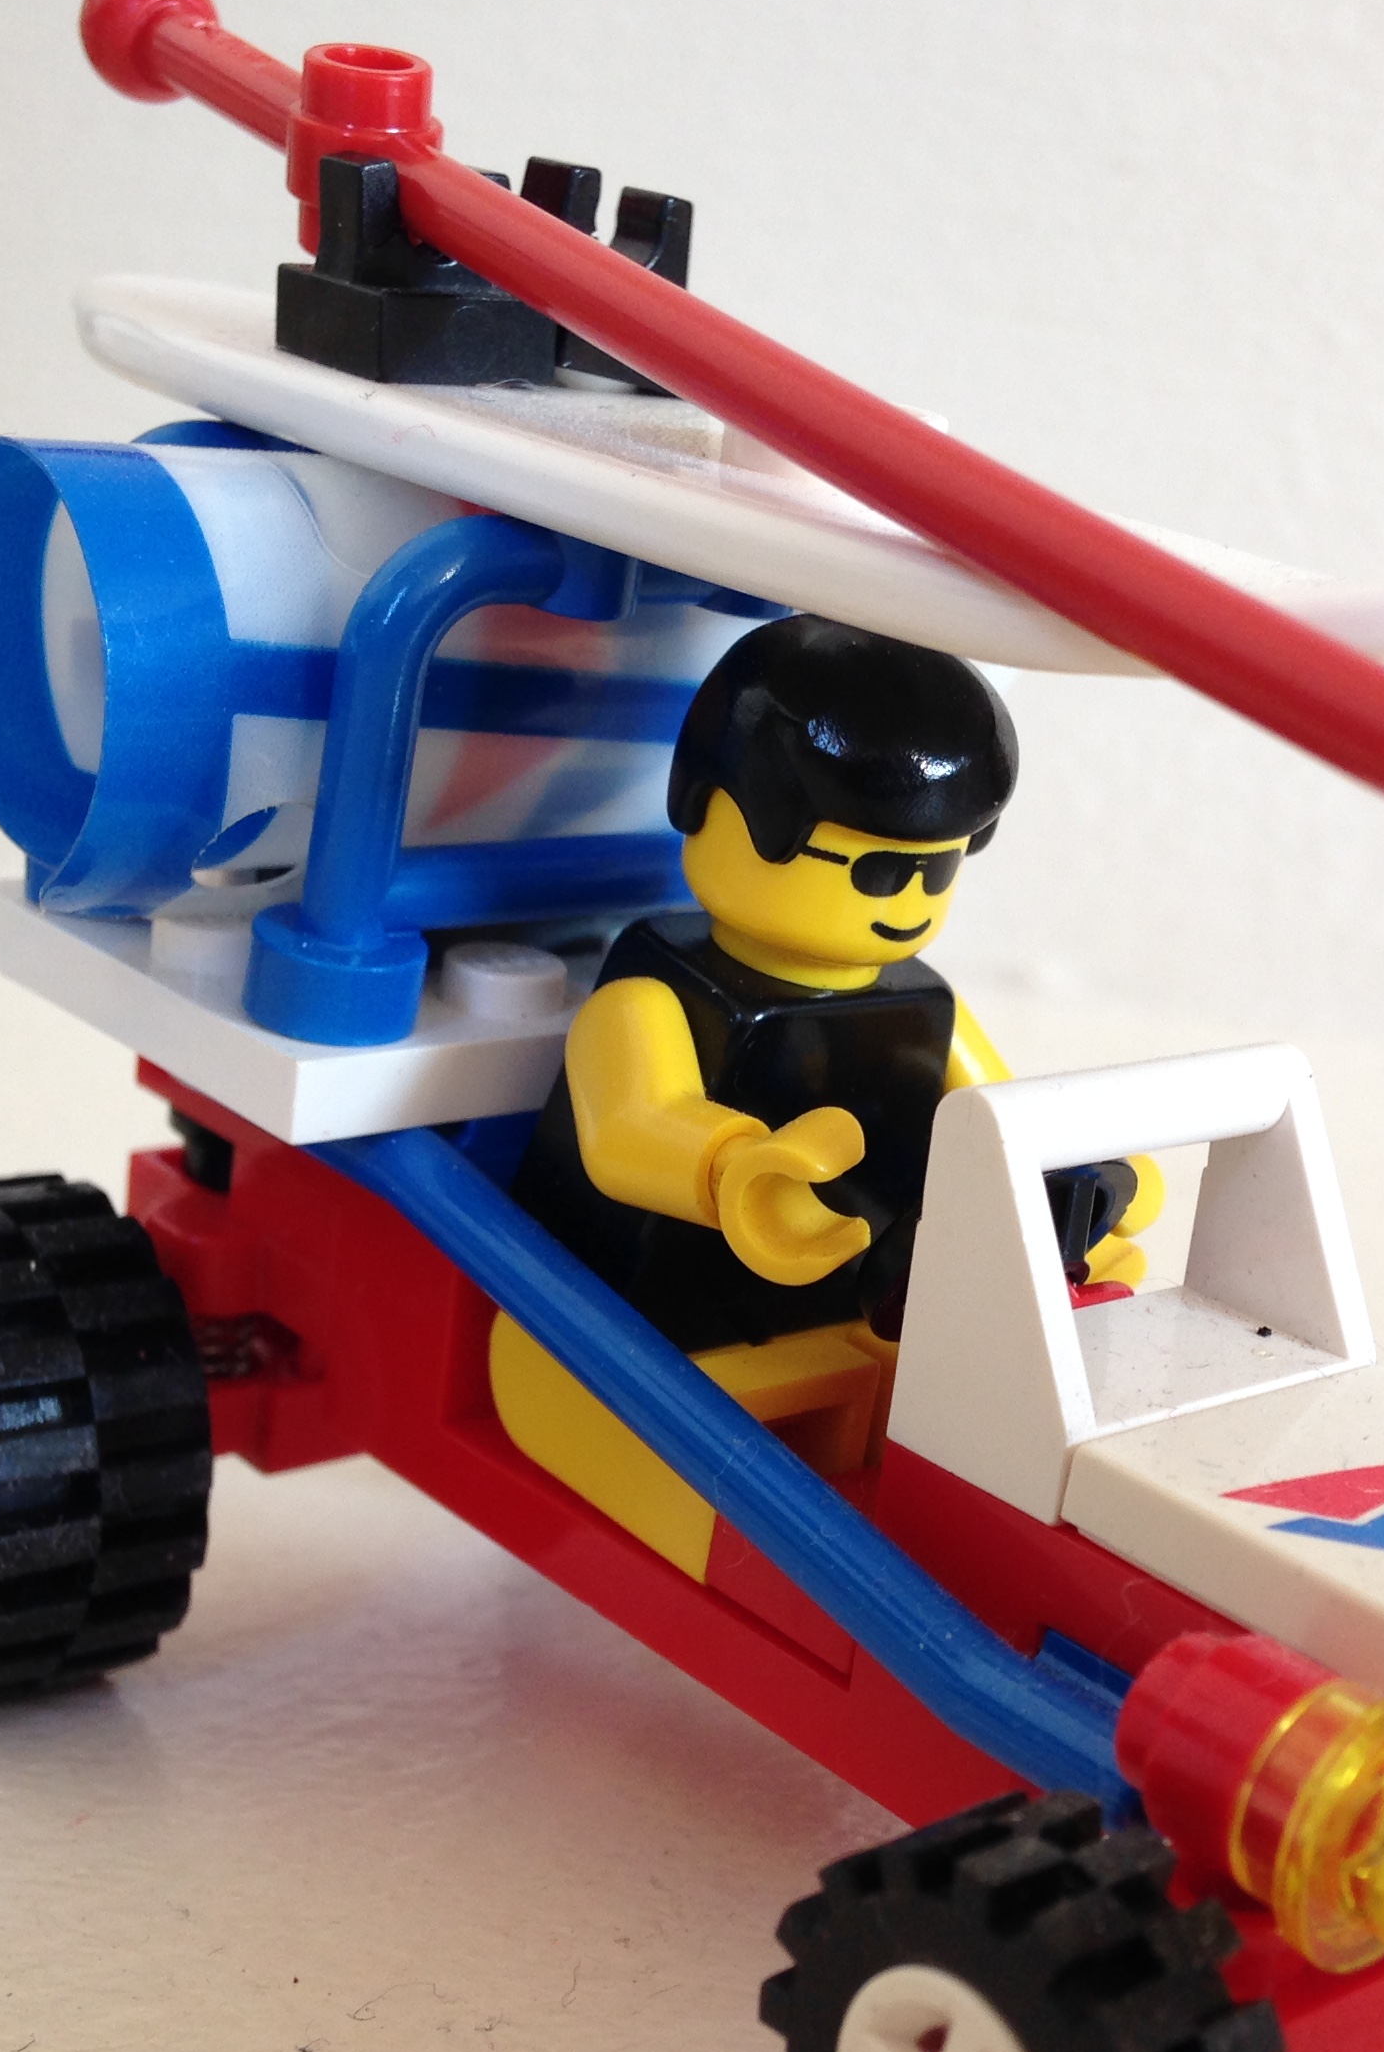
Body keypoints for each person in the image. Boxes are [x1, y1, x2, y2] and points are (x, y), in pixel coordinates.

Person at [495, 612, 1155, 1573]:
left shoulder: (926, 1007)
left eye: (937, 869)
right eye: (879, 869)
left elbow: (994, 1118)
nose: (910, 900)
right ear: (719, 813)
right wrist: (732, 1170)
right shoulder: (657, 994)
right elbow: (630, 1125)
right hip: (632, 1336)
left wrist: (1069, 1178)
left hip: (867, 1319)